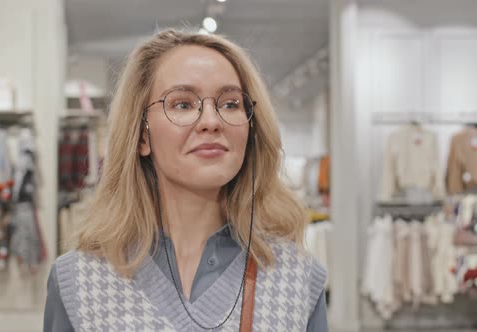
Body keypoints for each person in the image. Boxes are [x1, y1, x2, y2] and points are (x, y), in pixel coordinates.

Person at [44, 29, 328, 331]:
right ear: (142, 135)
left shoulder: (298, 279)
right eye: (182, 104)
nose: (211, 121)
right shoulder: (79, 281)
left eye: (230, 104)